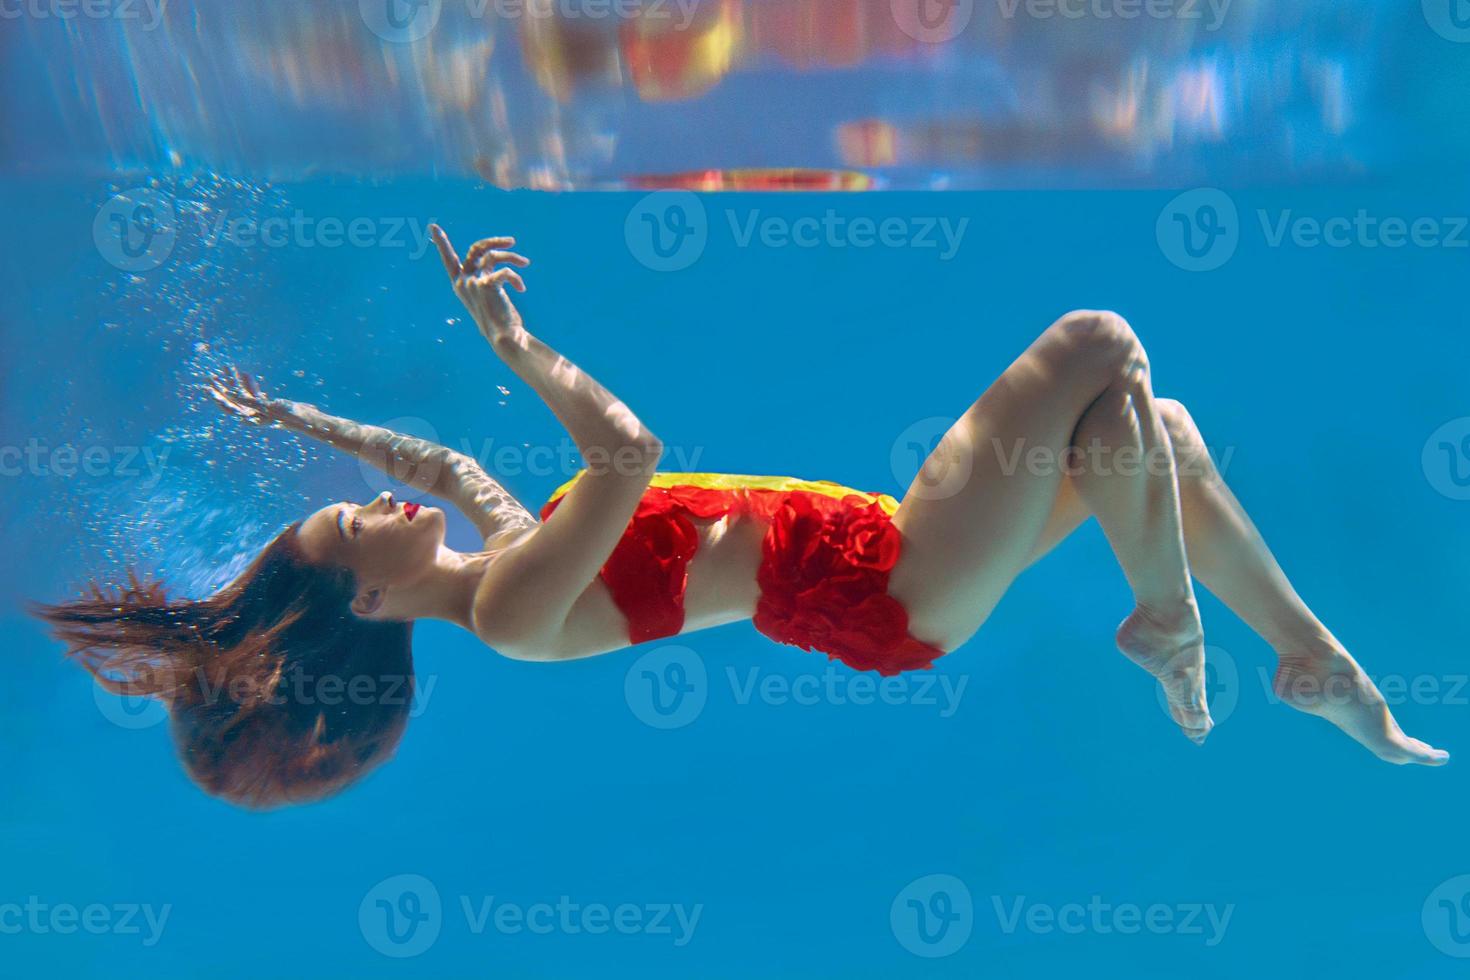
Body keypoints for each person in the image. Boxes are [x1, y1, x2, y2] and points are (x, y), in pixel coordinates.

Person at [34, 225, 1448, 809]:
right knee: (1092, 342)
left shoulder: (507, 560)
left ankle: (1305, 657)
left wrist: (305, 423)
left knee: (1156, 434)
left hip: (888, 546)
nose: (367, 503)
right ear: (374, 608)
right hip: (888, 591)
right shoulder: (522, 613)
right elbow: (629, 453)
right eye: (350, 529)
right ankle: (1163, 618)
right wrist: (518, 346)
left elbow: (445, 462)